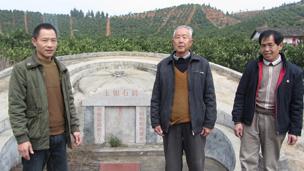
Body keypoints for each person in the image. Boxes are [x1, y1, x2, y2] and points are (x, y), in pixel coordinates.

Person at [8, 23, 81, 171]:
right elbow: (16, 107)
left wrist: (74, 127)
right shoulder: (22, 70)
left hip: (60, 137)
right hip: (36, 140)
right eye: (45, 40)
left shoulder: (61, 69)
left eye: (53, 40)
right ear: (34, 41)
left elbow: (69, 101)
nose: (50, 45)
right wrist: (22, 138)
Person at [232, 30, 303, 171]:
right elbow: (241, 94)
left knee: (270, 163)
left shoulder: (293, 72)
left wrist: (295, 130)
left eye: (270, 45)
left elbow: (297, 103)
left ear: (280, 46)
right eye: (263, 45)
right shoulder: (252, 67)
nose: (266, 49)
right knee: (247, 159)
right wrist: (237, 120)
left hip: (275, 121)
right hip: (251, 118)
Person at [150, 25, 217, 171]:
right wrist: (155, 121)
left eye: (184, 37)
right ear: (173, 41)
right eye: (177, 37)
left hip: (195, 127)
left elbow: (209, 96)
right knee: (172, 167)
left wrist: (209, 123)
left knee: (197, 166)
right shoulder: (163, 66)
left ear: (191, 42)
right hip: (170, 126)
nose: (181, 40)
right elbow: (156, 96)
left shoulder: (202, 64)